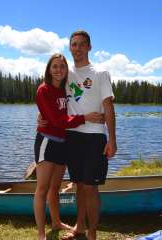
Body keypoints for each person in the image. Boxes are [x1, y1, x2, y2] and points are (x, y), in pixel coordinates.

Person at [34, 53, 104, 240]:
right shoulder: (44, 90)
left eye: (62, 67)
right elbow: (57, 120)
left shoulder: (66, 87)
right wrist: (85, 118)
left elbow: (81, 97)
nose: (59, 70)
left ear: (66, 70)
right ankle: (41, 233)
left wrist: (99, 112)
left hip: (64, 143)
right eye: (55, 66)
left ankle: (56, 222)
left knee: (55, 187)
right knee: (42, 188)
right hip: (48, 141)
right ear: (49, 69)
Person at [60, 30, 117, 240]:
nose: (77, 48)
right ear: (70, 47)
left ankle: (92, 233)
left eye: (82, 44)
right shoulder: (66, 72)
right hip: (72, 136)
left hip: (94, 137)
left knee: (91, 187)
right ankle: (80, 228)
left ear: (89, 47)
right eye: (74, 45)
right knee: (79, 185)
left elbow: (108, 106)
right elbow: (52, 96)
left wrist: (112, 139)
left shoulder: (100, 72)